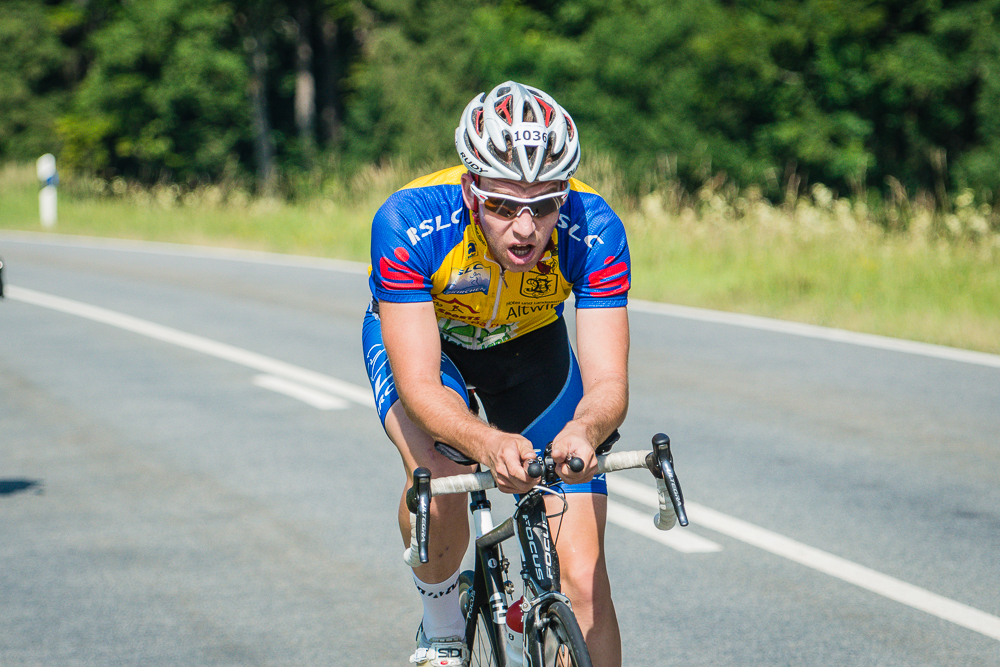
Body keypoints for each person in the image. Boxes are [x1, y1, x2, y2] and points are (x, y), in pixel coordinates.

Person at [363, 81, 630, 667]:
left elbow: (609, 383)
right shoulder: (409, 219)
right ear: (471, 191)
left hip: (529, 347)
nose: (526, 228)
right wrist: (487, 444)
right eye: (505, 206)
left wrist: (585, 430)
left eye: (546, 204)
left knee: (586, 586)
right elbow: (420, 387)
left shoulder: (595, 227)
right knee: (440, 476)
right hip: (433, 345)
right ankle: (441, 625)